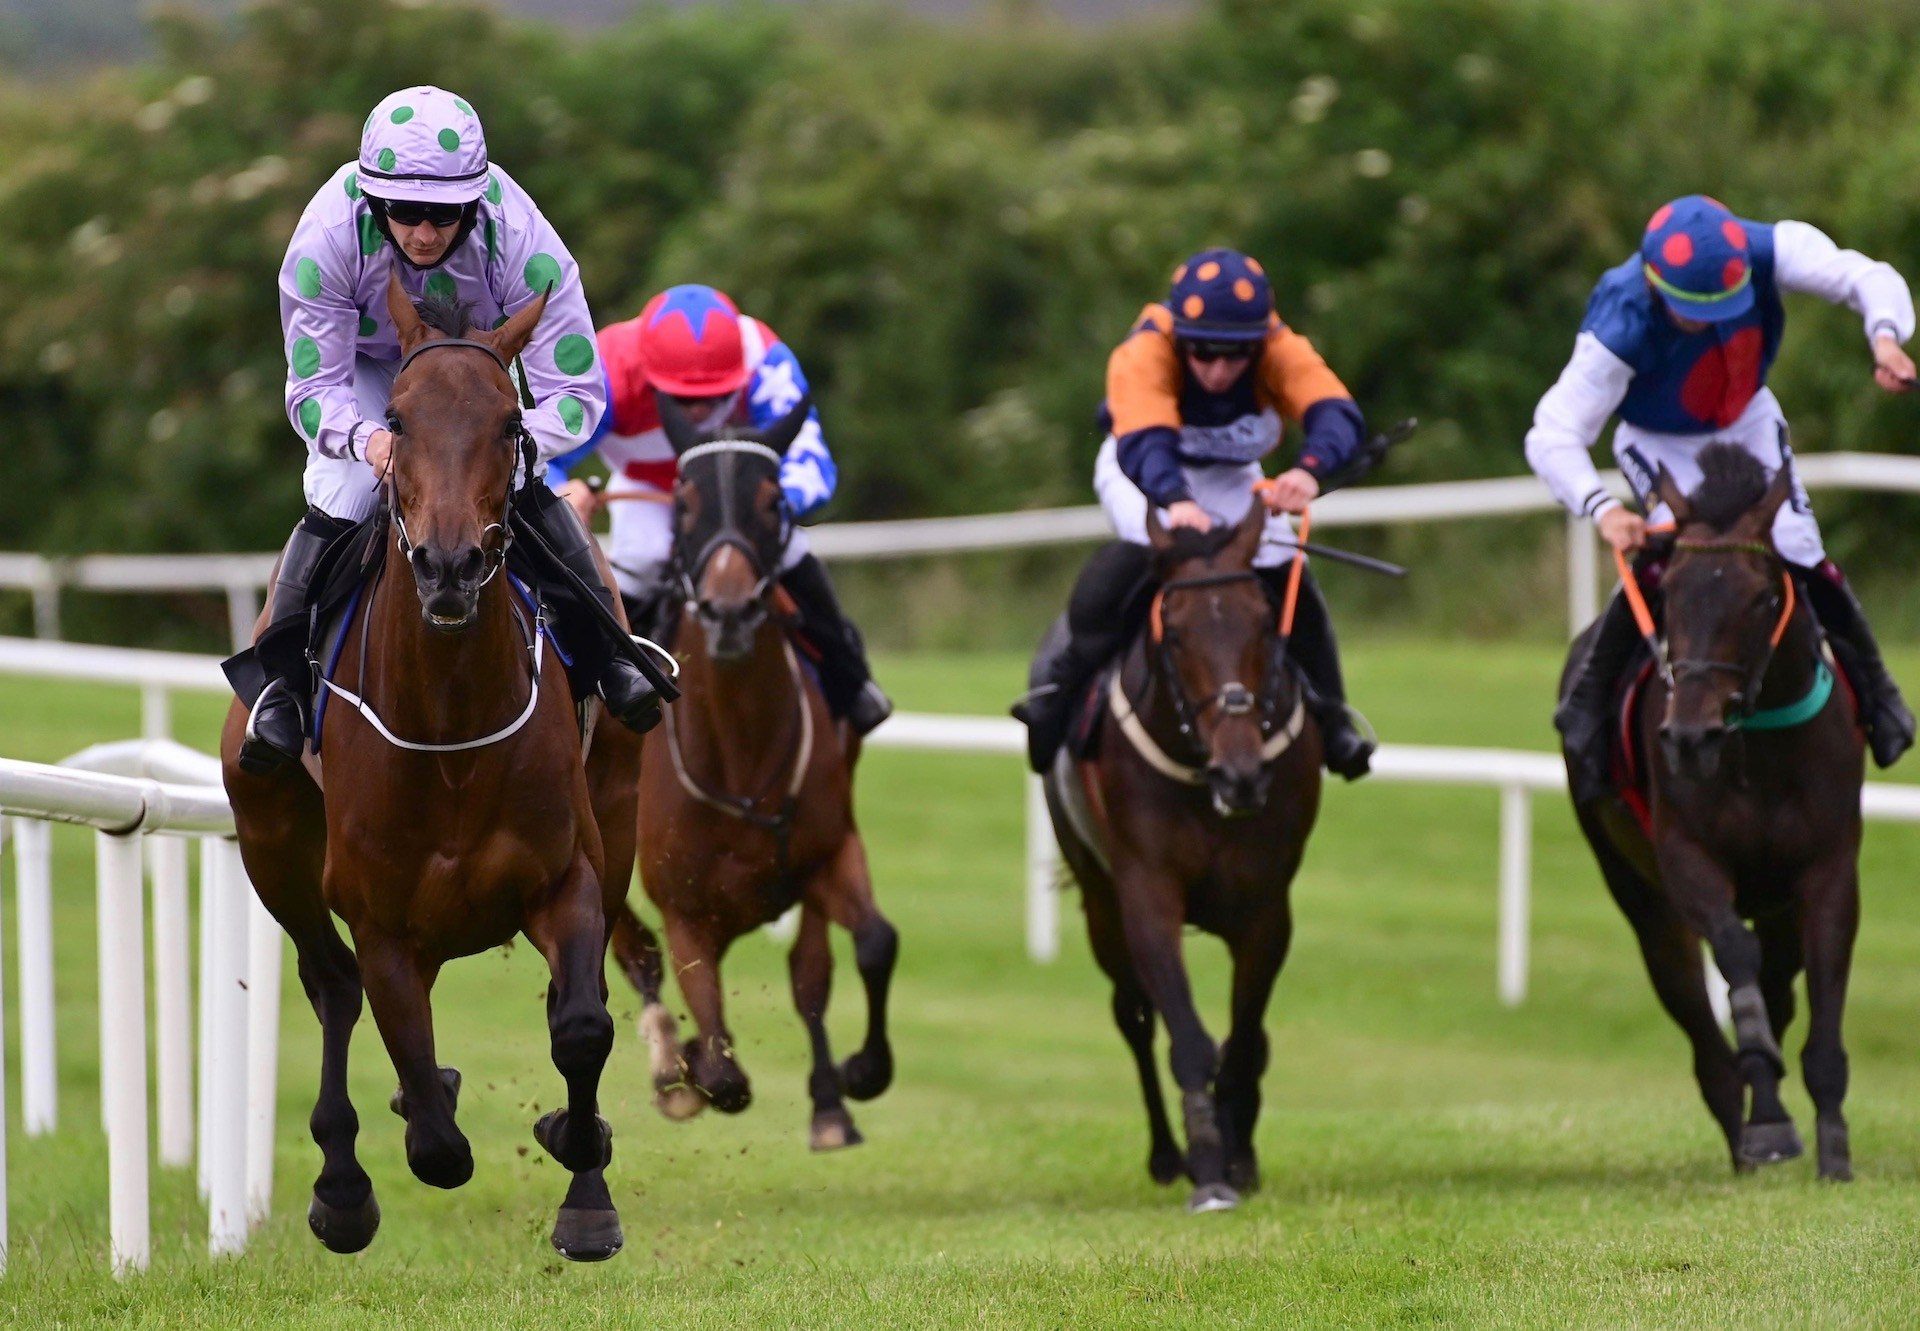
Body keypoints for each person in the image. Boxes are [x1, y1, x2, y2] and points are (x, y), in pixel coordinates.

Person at [238, 85, 660, 774]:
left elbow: (576, 397)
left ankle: (614, 654)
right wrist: (372, 441)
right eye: (405, 213)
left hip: (477, 379)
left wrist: (507, 447)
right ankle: (281, 684)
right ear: (374, 203)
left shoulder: (526, 245)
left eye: (445, 214)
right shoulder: (324, 240)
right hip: (370, 373)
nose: (425, 232)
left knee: (516, 483)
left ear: (478, 200)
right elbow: (315, 389)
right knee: (341, 490)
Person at [1529, 194, 1917, 802]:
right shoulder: (1621, 317)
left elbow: (1864, 275)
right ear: (1656, 285)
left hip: (1746, 421)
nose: (1708, 324)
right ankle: (1587, 706)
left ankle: (1877, 692)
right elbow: (1553, 431)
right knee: (1677, 560)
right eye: (1692, 313)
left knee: (1795, 546)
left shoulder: (1768, 246)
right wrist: (1601, 509)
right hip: (1659, 440)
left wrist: (1885, 336)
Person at [1016, 247, 1376, 779]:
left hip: (1230, 473)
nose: (1218, 371)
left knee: (1283, 561)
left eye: (1237, 357)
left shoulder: (1282, 347)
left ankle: (1333, 713)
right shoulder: (1144, 352)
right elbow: (1144, 446)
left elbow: (1336, 414)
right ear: (1181, 340)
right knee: (1146, 552)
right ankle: (1059, 691)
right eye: (1203, 354)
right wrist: (1176, 503)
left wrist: (1307, 471)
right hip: (1141, 465)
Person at [547, 283, 892, 735]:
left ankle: (851, 681)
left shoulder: (763, 358)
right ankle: (603, 691)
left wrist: (773, 501)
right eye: (684, 400)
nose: (698, 412)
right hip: (650, 488)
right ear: (649, 373)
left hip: (742, 493)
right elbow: (544, 453)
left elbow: (812, 458)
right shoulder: (606, 366)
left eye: (713, 398)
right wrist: (564, 490)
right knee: (642, 560)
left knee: (790, 552)